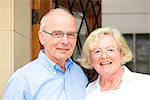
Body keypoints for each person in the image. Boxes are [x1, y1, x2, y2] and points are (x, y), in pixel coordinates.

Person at [3, 8, 88, 100]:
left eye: (71, 34)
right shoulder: (21, 81)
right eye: (57, 34)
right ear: (42, 37)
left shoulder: (79, 74)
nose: (65, 41)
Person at [80, 27, 150, 100]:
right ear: (90, 58)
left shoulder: (146, 84)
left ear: (122, 54)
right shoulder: (88, 91)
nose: (104, 56)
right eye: (97, 51)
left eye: (110, 50)